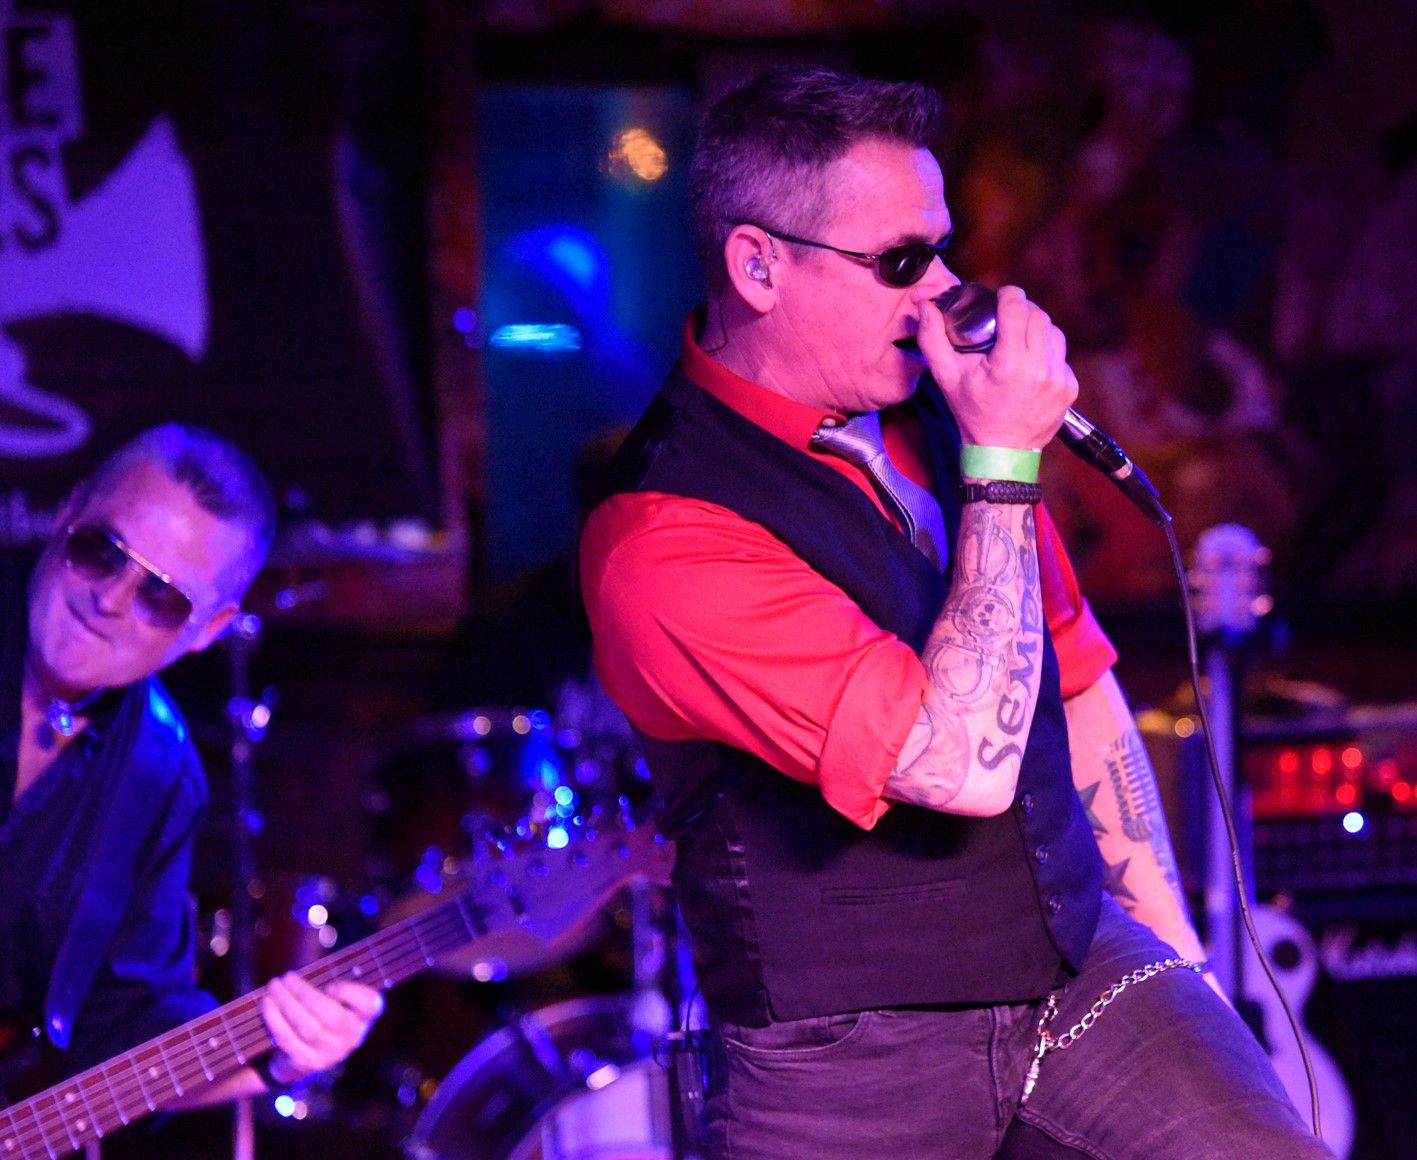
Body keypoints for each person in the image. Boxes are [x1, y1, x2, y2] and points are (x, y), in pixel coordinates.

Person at [580, 67, 1333, 1158]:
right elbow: (954, 765)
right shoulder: (661, 536)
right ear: (757, 265)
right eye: (898, 261)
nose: (940, 292)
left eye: (940, 250)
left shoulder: (944, 415)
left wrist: (1178, 956)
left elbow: (1075, 678)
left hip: (1078, 968)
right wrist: (1003, 463)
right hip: (845, 1059)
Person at [0, 423, 383, 1121]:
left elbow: (120, 1033)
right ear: (67, 515)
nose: (111, 599)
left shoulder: (158, 774)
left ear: (207, 630)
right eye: (101, 550)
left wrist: (281, 1058)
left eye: (162, 597)